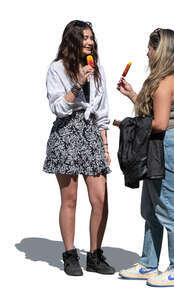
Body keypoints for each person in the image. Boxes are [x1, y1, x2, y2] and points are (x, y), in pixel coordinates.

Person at [117, 28, 174, 287]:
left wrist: (127, 125)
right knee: (151, 210)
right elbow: (158, 114)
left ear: (159, 51)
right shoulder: (173, 78)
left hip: (167, 147)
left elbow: (159, 123)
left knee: (169, 211)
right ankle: (149, 263)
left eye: (149, 47)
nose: (146, 52)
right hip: (162, 146)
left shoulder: (164, 83)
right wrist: (133, 96)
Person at [43, 20, 115, 276]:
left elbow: (103, 111)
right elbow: (57, 107)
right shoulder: (57, 69)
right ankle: (70, 254)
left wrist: (105, 144)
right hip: (66, 133)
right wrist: (77, 84)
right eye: (85, 37)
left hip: (91, 133)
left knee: (100, 200)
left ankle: (95, 255)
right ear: (73, 40)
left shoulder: (98, 69)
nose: (90, 42)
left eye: (91, 37)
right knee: (70, 199)